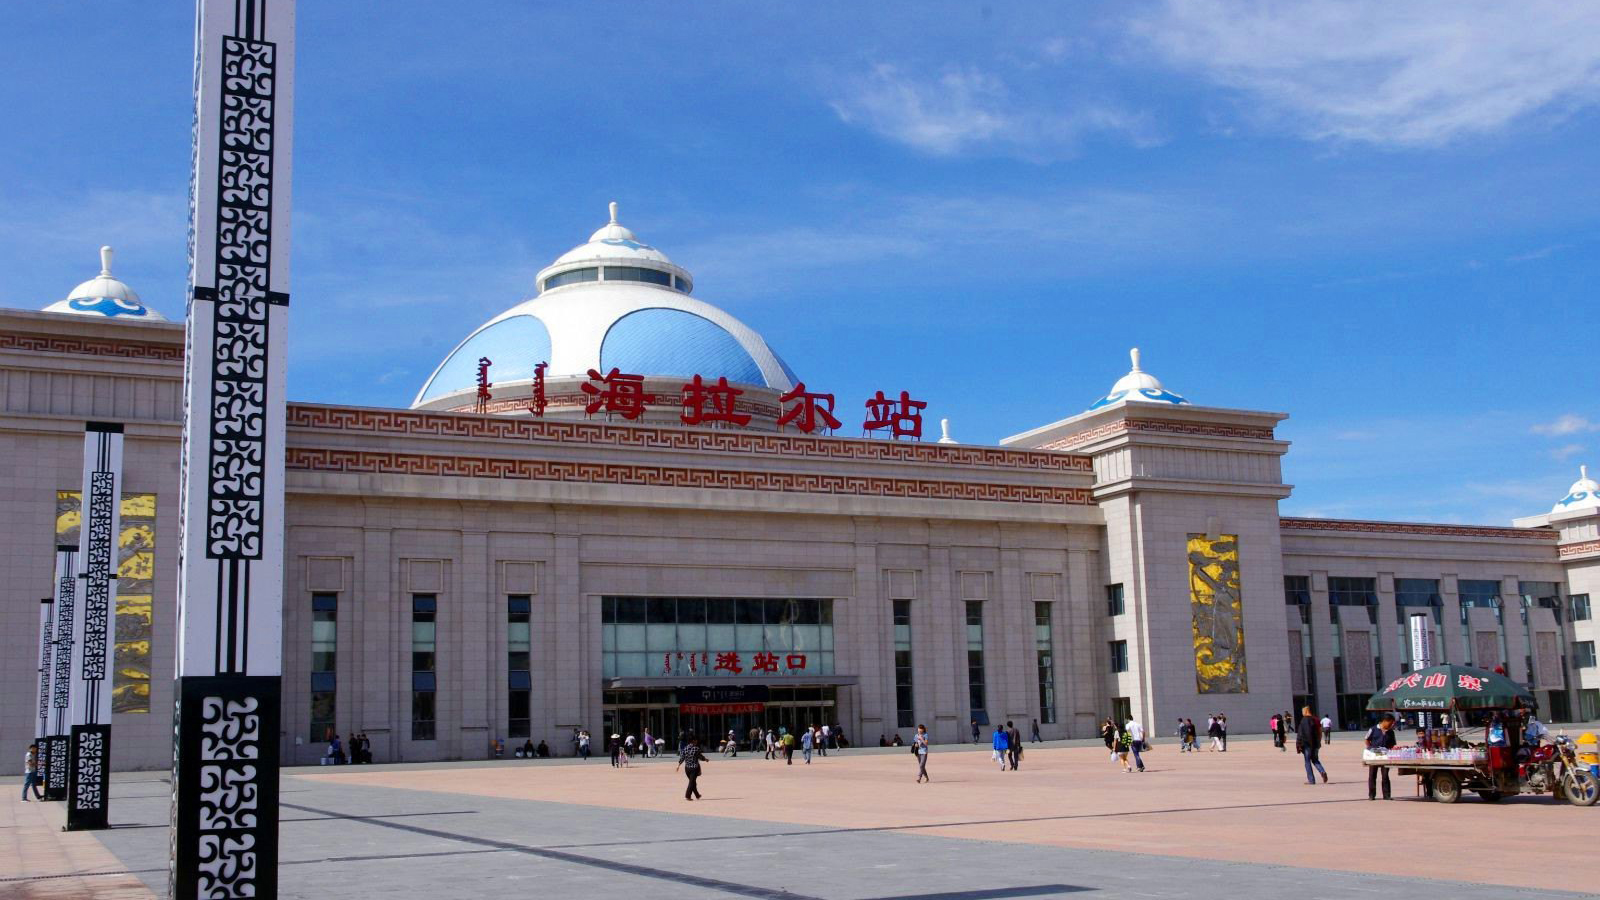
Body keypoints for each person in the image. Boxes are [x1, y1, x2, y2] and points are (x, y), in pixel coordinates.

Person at [1365, 713, 1397, 800]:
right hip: (1374, 755)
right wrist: (1370, 749)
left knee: (1385, 775)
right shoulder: (1373, 729)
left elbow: (1392, 744)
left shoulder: (1391, 732)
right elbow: (1367, 739)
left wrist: (1391, 751)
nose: (1392, 725)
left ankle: (1387, 795)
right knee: (1372, 775)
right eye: (1390, 723)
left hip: (1385, 755)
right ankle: (1371, 795)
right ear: (1385, 721)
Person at [1297, 705, 1328, 785]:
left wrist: (1298, 744)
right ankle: (1322, 771)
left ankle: (1311, 780)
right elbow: (1320, 732)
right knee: (1315, 759)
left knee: (1307, 761)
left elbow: (1300, 734)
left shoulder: (1303, 720)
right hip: (1315, 743)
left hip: (1307, 744)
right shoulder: (1316, 719)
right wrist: (1318, 742)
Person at [676, 735, 707, 800]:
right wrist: (705, 759)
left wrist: (678, 765)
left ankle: (697, 795)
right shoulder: (696, 748)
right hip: (694, 768)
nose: (697, 741)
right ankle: (688, 796)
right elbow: (700, 757)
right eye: (696, 740)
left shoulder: (685, 748)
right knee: (691, 782)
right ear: (693, 741)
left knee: (692, 782)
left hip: (687, 768)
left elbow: (682, 757)